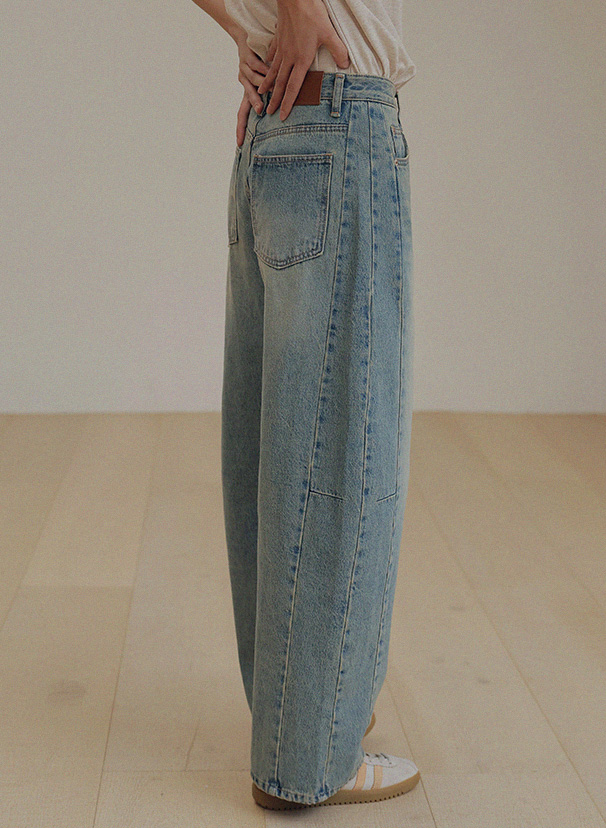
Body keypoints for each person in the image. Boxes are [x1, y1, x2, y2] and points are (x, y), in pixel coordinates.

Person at [191, 0, 419, 809]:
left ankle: (296, 716)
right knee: (345, 445)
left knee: (276, 441)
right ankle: (307, 755)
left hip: (277, 128)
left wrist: (247, 28)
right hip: (341, 120)